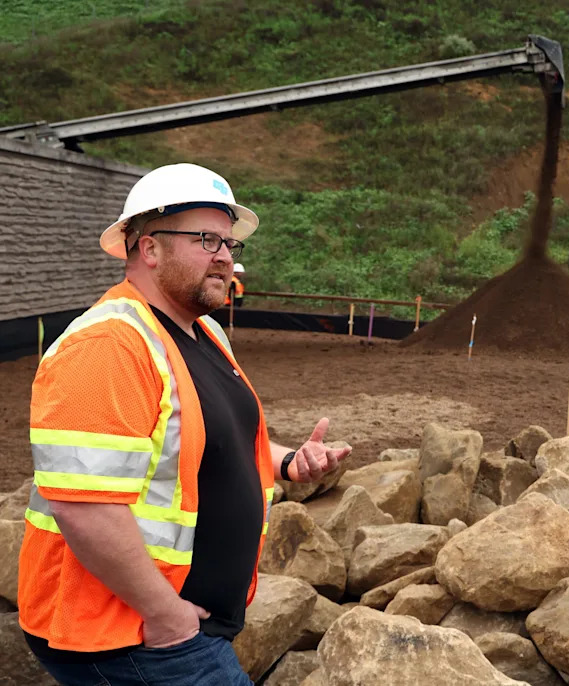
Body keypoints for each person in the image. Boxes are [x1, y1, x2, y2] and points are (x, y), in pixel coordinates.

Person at [18, 162, 351, 685]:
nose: (225, 256)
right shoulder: (109, 346)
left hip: (171, 627)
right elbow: (84, 507)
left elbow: (213, 443)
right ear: (148, 248)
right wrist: (165, 615)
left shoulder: (205, 334)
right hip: (132, 634)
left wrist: (288, 461)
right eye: (206, 239)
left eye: (228, 243)